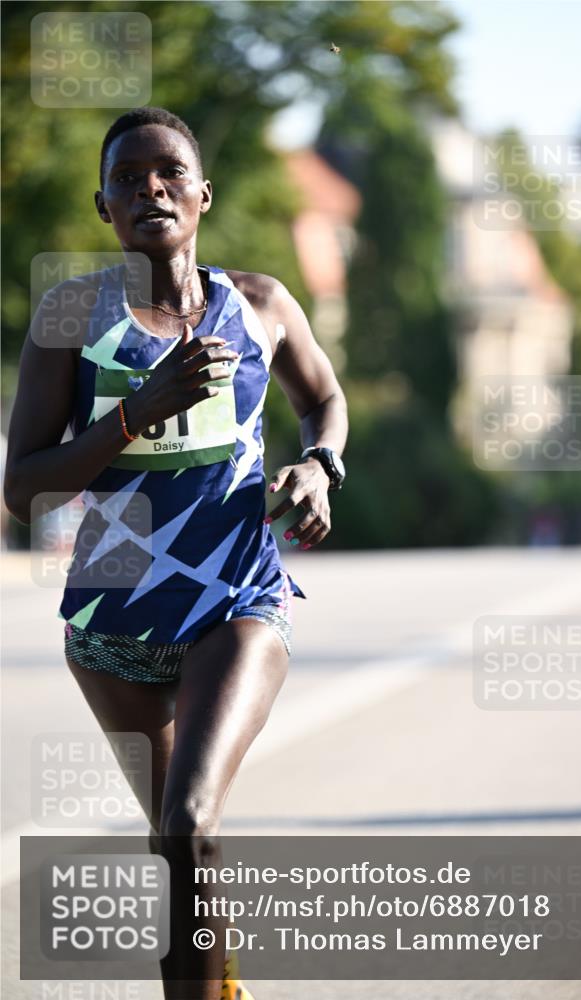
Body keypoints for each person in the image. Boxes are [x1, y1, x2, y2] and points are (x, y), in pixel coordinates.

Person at [3, 107, 348, 1000]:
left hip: (236, 598)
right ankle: (217, 978)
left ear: (202, 194)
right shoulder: (71, 316)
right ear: (103, 208)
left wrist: (318, 465)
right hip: (111, 622)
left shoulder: (262, 303)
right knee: (176, 846)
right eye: (127, 178)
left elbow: (323, 398)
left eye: (168, 172)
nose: (148, 187)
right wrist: (133, 414)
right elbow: (24, 488)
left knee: (190, 820)